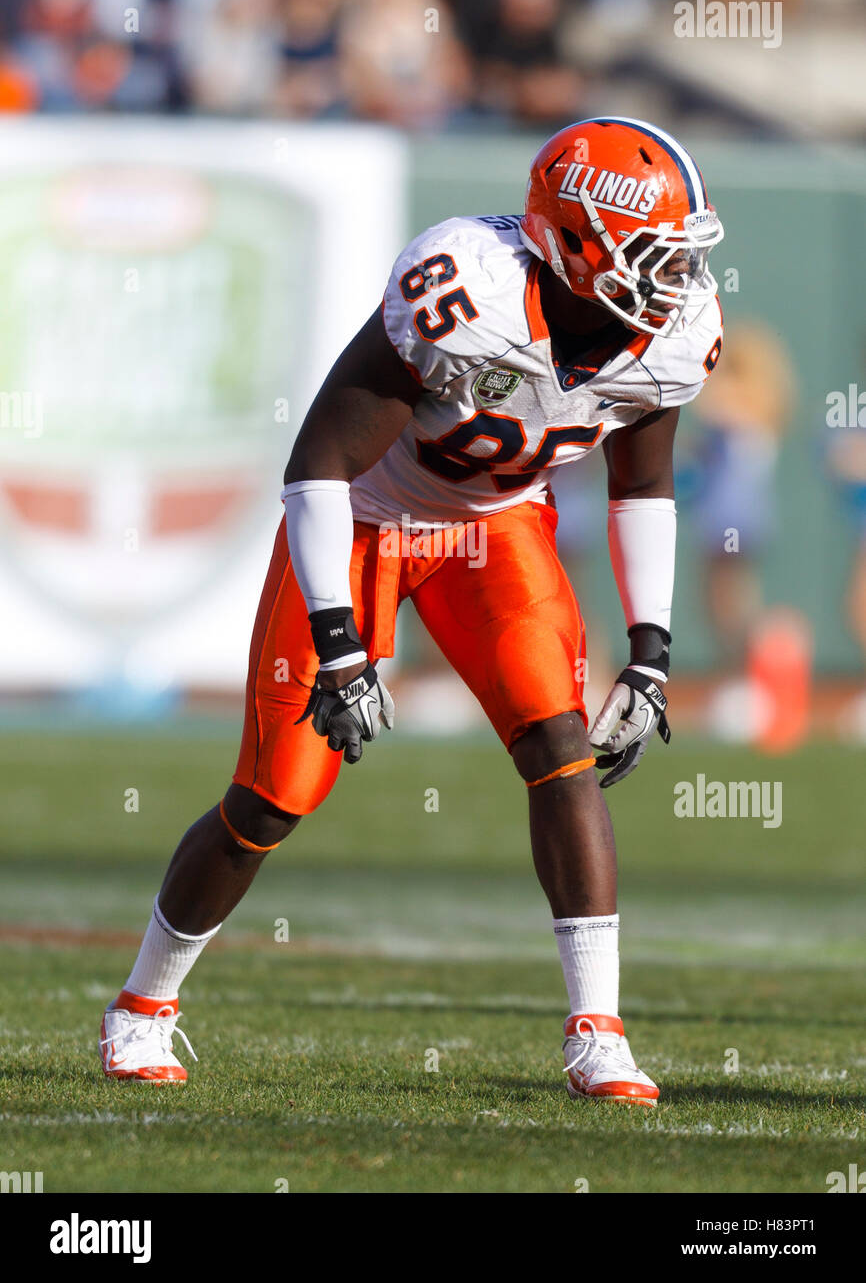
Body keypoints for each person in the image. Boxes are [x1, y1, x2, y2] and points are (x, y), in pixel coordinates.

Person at [99, 117, 725, 1106]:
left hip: (496, 527)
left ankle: (596, 1031)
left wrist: (649, 649)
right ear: (570, 241)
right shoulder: (463, 288)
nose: (675, 281)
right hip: (360, 518)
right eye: (649, 252)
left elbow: (639, 487)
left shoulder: (675, 335)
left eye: (679, 256)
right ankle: (142, 1005)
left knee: (559, 750)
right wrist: (342, 645)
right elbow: (318, 462)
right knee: (274, 795)